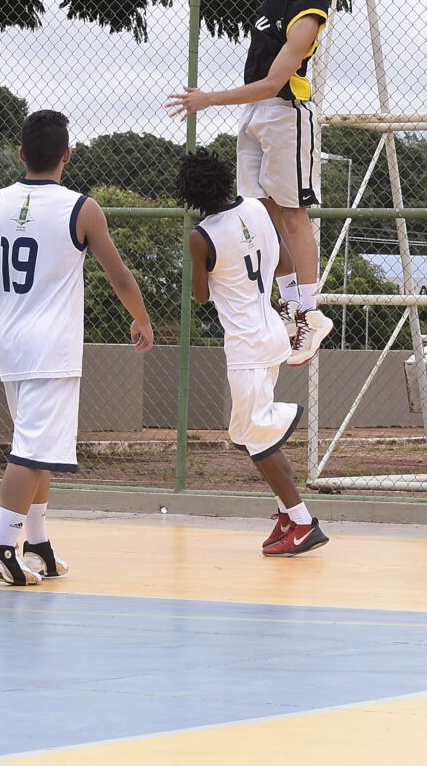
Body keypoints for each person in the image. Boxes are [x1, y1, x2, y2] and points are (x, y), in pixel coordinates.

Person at [168, 0, 345, 365]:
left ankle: (310, 312)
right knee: (260, 212)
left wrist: (207, 100)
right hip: (258, 116)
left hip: (288, 114)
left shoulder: (308, 18)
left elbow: (271, 82)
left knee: (293, 215)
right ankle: (291, 311)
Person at [0, 110, 156, 587]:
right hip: (51, 347)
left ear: (22, 153)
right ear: (67, 154)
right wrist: (142, 317)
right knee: (30, 450)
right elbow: (119, 274)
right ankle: (2, 546)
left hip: (9, 343)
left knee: (39, 446)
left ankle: (38, 543)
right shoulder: (81, 208)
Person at [174, 148, 327, 555]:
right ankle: (285, 511)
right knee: (245, 434)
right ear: (226, 179)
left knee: (257, 436)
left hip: (245, 344)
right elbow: (281, 263)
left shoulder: (201, 236)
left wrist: (206, 266)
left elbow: (202, 296)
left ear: (189, 194)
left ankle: (302, 521)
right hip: (272, 333)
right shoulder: (259, 210)